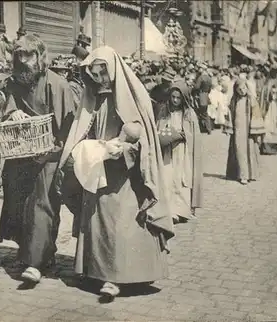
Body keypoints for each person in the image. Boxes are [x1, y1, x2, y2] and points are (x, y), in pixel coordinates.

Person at [56, 46, 174, 298]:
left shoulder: (133, 96)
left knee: (122, 219)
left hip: (126, 172)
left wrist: (126, 148)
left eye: (103, 72)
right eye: (95, 74)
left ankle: (118, 276)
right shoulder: (93, 97)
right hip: (99, 166)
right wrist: (87, 148)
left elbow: (144, 137)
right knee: (99, 218)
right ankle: (96, 271)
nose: (100, 79)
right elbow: (84, 129)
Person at [0, 35, 75, 283]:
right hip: (20, 153)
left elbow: (67, 124)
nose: (23, 61)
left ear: (40, 56)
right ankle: (31, 253)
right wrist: (14, 113)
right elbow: (8, 107)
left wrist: (58, 148)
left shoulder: (57, 84)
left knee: (43, 206)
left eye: (28, 55)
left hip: (48, 156)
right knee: (19, 205)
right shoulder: (16, 83)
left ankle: (35, 263)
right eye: (19, 55)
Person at [156, 81, 203, 224]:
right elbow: (158, 128)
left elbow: (194, 136)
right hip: (168, 151)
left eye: (178, 98)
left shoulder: (189, 114)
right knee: (168, 178)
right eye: (173, 97)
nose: (175, 100)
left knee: (182, 179)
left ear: (184, 98)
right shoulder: (164, 111)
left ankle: (182, 210)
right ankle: (170, 211)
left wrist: (184, 135)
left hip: (183, 152)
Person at [224, 79, 261, 185]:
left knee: (250, 150)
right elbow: (230, 114)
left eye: (244, 88)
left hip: (248, 130)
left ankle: (251, 174)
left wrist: (255, 130)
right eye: (239, 89)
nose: (242, 91)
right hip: (238, 130)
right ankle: (242, 175)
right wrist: (229, 128)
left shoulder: (251, 100)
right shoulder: (234, 100)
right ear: (235, 89)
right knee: (239, 151)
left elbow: (256, 114)